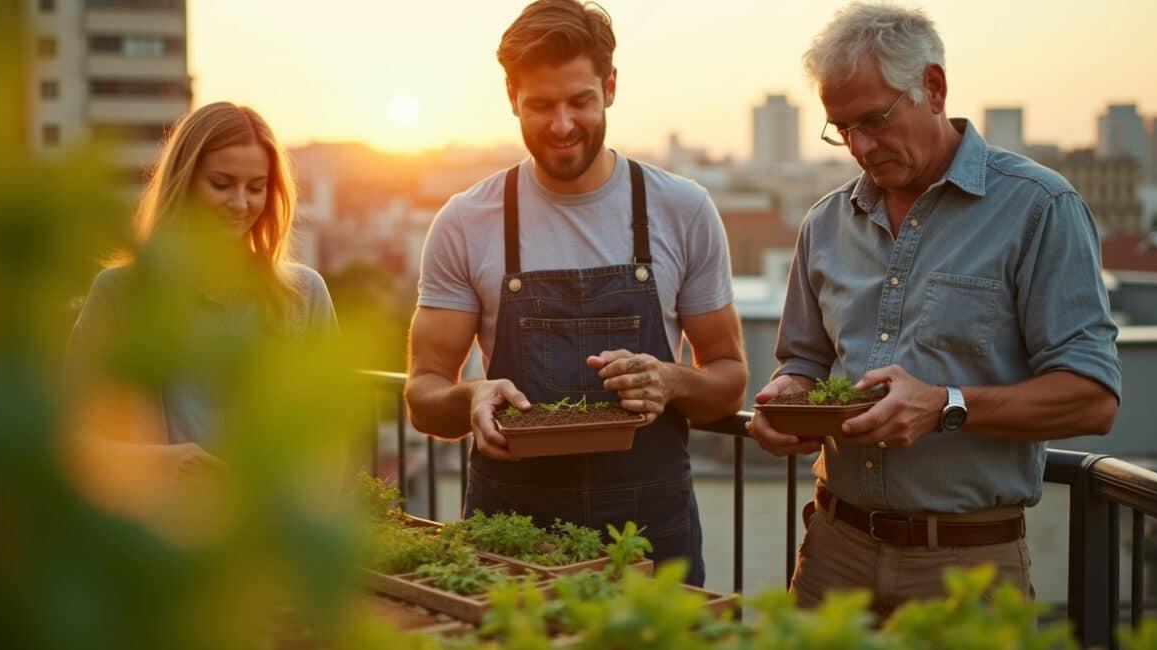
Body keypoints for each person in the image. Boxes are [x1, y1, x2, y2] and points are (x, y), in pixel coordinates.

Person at [747, 2, 1121, 618]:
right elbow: (804, 362)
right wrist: (786, 397)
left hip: (966, 568)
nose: (859, 146)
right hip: (830, 553)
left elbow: (1093, 397)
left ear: (934, 87)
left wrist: (946, 405)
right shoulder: (824, 223)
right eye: (842, 128)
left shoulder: (1040, 208)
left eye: (874, 119)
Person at [404, 0, 747, 587]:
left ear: (610, 87)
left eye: (580, 101)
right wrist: (472, 397)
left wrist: (672, 380)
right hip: (511, 531)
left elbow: (730, 377)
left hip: (649, 534)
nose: (562, 125)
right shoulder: (466, 221)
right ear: (511, 96)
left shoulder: (682, 209)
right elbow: (423, 394)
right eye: (540, 105)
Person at [67, 102, 338, 477]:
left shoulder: (305, 294)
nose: (240, 203)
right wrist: (161, 461)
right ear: (185, 182)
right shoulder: (120, 292)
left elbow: (328, 440)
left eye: (256, 188)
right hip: (155, 528)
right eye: (221, 184)